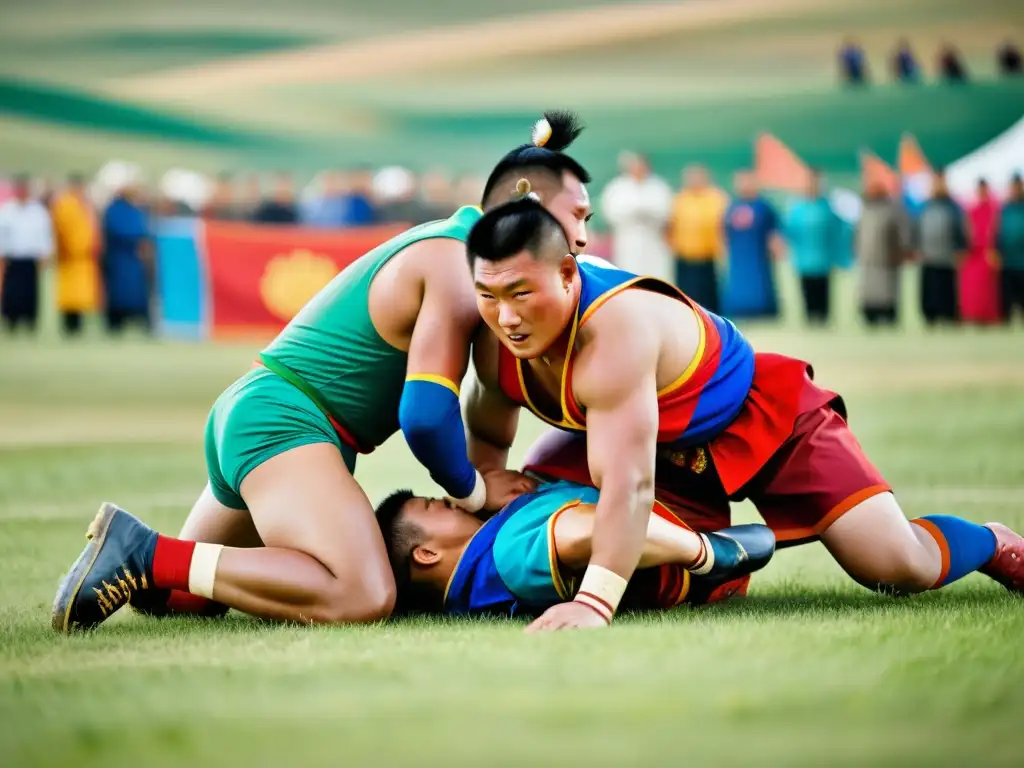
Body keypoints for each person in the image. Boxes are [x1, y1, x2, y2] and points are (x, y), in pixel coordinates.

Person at [461, 119, 1024, 631]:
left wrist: (594, 604)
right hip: (648, 433)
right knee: (537, 498)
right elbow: (487, 440)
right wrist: (482, 494)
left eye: (583, 220)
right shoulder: (489, 332)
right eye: (490, 294)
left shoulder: (613, 328)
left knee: (898, 566)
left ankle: (992, 541)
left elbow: (628, 484)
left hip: (757, 415)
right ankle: (714, 564)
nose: (505, 316)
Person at [49, 111, 592, 634]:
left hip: (269, 412)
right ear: (531, 207)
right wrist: (474, 495)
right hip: (287, 422)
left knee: (184, 600)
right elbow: (425, 417)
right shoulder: (456, 265)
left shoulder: (455, 248)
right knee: (361, 593)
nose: (584, 237)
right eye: (577, 218)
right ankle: (139, 549)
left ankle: (146, 559)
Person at [375, 478, 775, 620]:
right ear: (426, 554)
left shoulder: (487, 563)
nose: (447, 500)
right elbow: (597, 529)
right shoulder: (510, 555)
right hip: (689, 532)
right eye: (434, 506)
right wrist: (705, 552)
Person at [599, 152, 673, 282]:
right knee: (628, 275)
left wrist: (647, 213)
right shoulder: (617, 187)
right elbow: (610, 212)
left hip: (653, 240)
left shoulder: (658, 186)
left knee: (656, 277)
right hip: (628, 240)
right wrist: (632, 213)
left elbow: (666, 211)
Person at [782, 169, 844, 325]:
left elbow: (836, 232)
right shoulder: (797, 209)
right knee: (807, 293)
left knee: (823, 293)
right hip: (804, 260)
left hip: (824, 260)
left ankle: (823, 318)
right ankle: (810, 318)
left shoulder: (827, 207)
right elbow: (789, 231)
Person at [720, 171, 781, 321]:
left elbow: (774, 232)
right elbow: (724, 229)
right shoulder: (732, 207)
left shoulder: (764, 207)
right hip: (738, 255)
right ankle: (739, 308)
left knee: (760, 282)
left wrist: (776, 248)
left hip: (758, 255)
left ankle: (763, 309)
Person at [667, 165, 728, 313]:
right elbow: (670, 224)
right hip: (685, 253)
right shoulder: (680, 199)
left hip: (708, 253)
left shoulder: (716, 197)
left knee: (709, 292)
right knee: (688, 293)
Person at [0, 174, 53, 334]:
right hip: (12, 258)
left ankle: (30, 322)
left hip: (30, 258)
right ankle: (11, 322)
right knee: (12, 293)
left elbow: (44, 235)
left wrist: (45, 254)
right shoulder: (7, 210)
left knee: (30, 293)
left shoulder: (38, 212)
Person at [914, 169, 967, 326]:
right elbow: (917, 228)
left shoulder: (953, 207)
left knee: (947, 289)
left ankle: (949, 316)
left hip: (947, 257)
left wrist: (961, 248)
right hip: (928, 256)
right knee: (930, 291)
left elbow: (960, 229)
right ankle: (930, 316)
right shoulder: (926, 205)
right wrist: (916, 247)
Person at [51, 173, 101, 337]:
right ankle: (69, 326)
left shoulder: (85, 205)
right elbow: (60, 229)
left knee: (81, 294)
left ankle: (78, 326)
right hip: (69, 257)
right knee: (69, 295)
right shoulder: (64, 204)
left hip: (84, 257)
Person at [101, 180, 153, 335]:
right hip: (119, 259)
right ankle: (116, 323)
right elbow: (119, 230)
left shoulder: (137, 210)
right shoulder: (114, 210)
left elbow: (145, 229)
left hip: (135, 261)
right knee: (119, 293)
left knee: (136, 293)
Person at [855, 177, 908, 327]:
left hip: (886, 260)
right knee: (869, 291)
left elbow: (900, 235)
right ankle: (869, 315)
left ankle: (888, 316)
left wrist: (899, 252)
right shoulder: (864, 210)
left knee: (887, 291)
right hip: (868, 260)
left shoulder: (891, 211)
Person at [960, 179, 1002, 325]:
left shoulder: (994, 210)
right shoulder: (973, 210)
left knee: (988, 289)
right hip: (975, 253)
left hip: (988, 253)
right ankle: (974, 314)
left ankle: (989, 315)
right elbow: (969, 231)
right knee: (974, 287)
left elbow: (995, 232)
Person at [996, 173, 1024, 322]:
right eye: (1013, 186)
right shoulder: (1005, 209)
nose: (1016, 189)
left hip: (1022, 261)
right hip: (1008, 260)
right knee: (1008, 296)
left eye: (1018, 186)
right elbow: (998, 231)